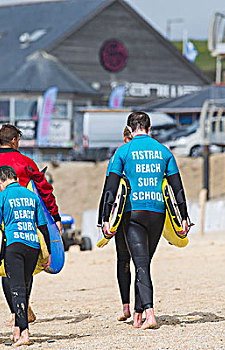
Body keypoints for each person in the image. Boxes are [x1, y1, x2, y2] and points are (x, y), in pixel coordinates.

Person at [101, 112, 190, 330]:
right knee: (145, 264)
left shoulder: (122, 151)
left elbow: (110, 190)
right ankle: (138, 313)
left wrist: (104, 218)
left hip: (134, 214)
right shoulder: (164, 151)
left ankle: (150, 314)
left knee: (140, 264)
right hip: (157, 213)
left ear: (130, 129)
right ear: (149, 128)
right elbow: (177, 189)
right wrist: (184, 217)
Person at [0, 124, 62, 325]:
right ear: (14, 140)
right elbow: (44, 189)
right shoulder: (24, 161)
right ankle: (24, 305)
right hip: (24, 220)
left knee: (6, 269)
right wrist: (54, 216)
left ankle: (15, 312)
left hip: (0, 222)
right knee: (27, 266)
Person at [0, 166, 51, 347]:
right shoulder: (32, 197)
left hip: (14, 247)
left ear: (1, 181)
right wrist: (48, 254)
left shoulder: (0, 197)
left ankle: (25, 334)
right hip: (32, 246)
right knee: (24, 288)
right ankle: (17, 328)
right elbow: (43, 227)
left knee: (17, 291)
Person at [98, 126, 133, 321]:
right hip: (141, 212)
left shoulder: (117, 156)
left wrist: (102, 217)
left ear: (123, 137)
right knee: (140, 260)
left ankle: (126, 306)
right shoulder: (143, 154)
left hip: (120, 214)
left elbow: (109, 189)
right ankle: (142, 306)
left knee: (123, 259)